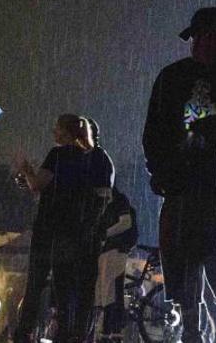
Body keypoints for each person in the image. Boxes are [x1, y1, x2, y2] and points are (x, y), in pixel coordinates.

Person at [143, 7, 216, 343]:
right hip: (185, 186)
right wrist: (161, 169)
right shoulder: (171, 78)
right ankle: (193, 329)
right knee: (185, 259)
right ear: (209, 34)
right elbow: (153, 132)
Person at [13, 114, 114, 343]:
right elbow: (100, 196)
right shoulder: (93, 159)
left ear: (66, 133)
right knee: (65, 286)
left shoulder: (57, 155)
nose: (53, 132)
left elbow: (38, 184)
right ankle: (66, 333)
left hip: (48, 228)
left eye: (57, 128)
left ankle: (24, 331)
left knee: (36, 283)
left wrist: (27, 169)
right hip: (73, 231)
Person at [93, 186, 137, 343]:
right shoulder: (113, 202)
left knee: (109, 290)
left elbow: (125, 223)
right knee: (110, 290)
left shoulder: (116, 202)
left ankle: (108, 330)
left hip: (114, 249)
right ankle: (112, 330)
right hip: (111, 250)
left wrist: (104, 234)